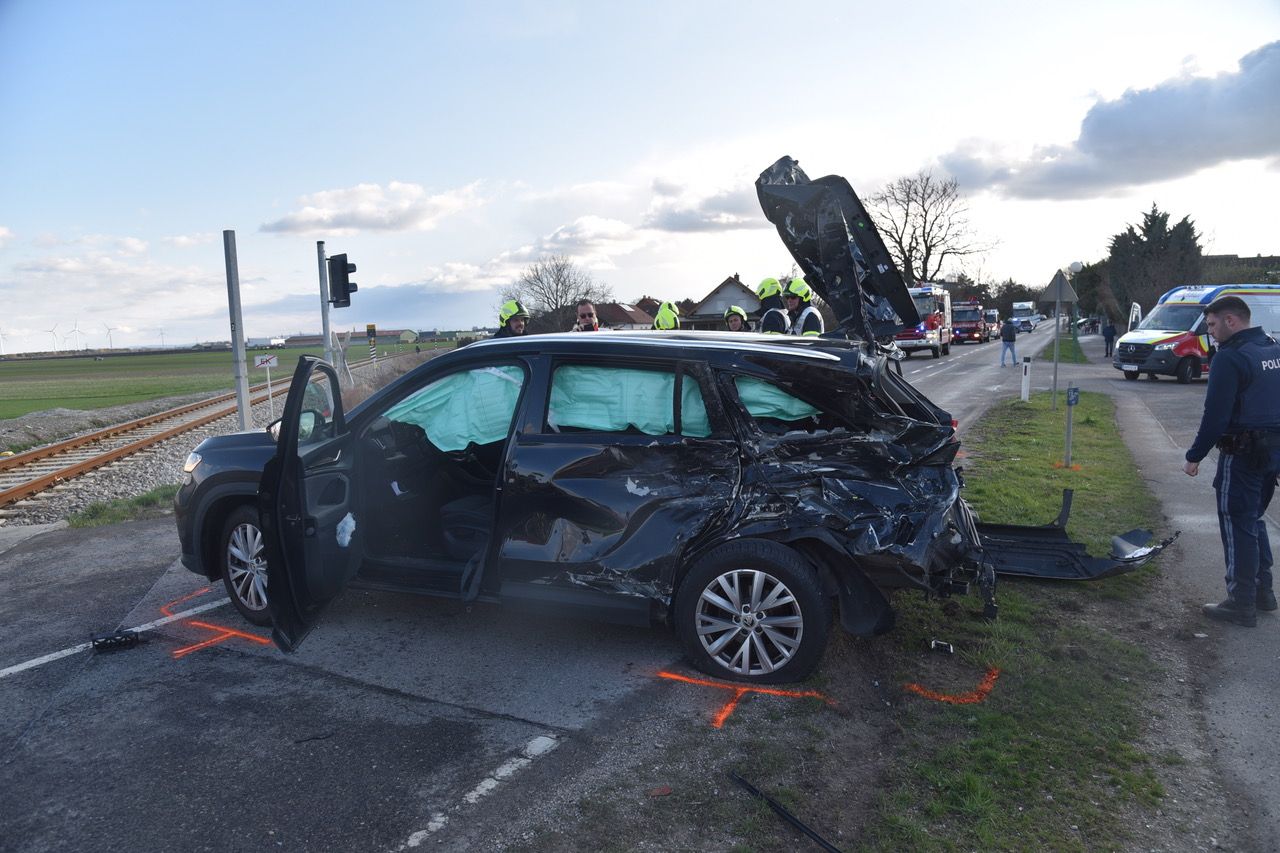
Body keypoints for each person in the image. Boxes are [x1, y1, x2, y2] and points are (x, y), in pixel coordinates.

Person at [1183, 295, 1280, 627]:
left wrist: (1194, 456)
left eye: (1212, 325)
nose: (1210, 332)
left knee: (1238, 524)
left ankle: (1241, 602)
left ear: (1231, 321)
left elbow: (1216, 416)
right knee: (1253, 520)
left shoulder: (1231, 357)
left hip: (1241, 454)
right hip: (1271, 454)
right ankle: (1263, 593)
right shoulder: (1272, 349)